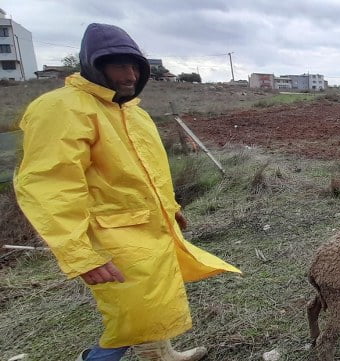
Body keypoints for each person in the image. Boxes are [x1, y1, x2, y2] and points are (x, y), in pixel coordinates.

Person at [13, 23, 241, 361]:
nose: (130, 74)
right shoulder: (62, 108)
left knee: (155, 299)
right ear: (94, 64)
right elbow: (51, 185)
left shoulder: (133, 113)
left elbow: (150, 173)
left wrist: (170, 207)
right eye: (119, 64)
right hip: (110, 236)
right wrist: (81, 254)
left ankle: (159, 354)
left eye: (135, 65)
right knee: (134, 311)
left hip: (149, 227)